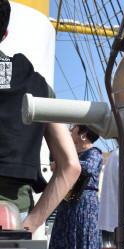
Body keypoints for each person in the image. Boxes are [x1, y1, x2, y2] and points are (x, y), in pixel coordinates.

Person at [0, 0, 80, 233]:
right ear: (4, 34)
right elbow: (71, 166)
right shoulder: (39, 87)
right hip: (11, 217)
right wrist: (30, 226)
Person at [49, 125, 103, 249]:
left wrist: (64, 162)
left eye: (74, 127)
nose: (70, 130)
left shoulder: (94, 153)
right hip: (67, 205)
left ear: (84, 134)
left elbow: (86, 168)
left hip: (84, 206)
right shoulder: (73, 155)